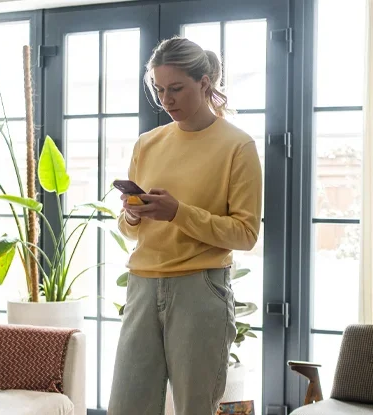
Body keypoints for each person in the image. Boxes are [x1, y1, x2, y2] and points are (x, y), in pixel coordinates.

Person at [108, 37, 263, 414]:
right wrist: (132, 213)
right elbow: (130, 228)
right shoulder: (147, 143)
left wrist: (178, 213)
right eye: (160, 90)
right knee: (127, 406)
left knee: (194, 406)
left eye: (176, 88)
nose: (167, 100)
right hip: (142, 286)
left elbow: (245, 234)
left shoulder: (238, 147)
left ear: (205, 83)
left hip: (200, 289)